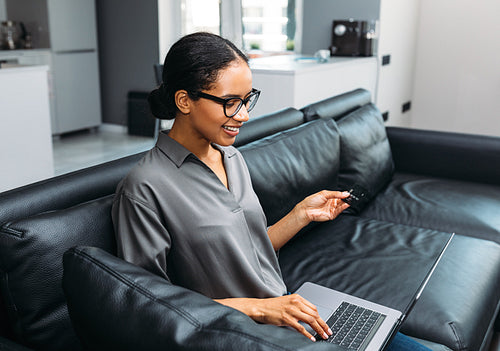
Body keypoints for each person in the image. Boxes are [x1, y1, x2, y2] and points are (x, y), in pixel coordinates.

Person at [112, 32, 430, 350]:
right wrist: (260, 309)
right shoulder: (144, 188)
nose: (244, 115)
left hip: (285, 317)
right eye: (230, 103)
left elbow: (249, 249)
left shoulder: (231, 157)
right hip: (234, 336)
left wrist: (300, 214)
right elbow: (152, 306)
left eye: (247, 99)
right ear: (185, 101)